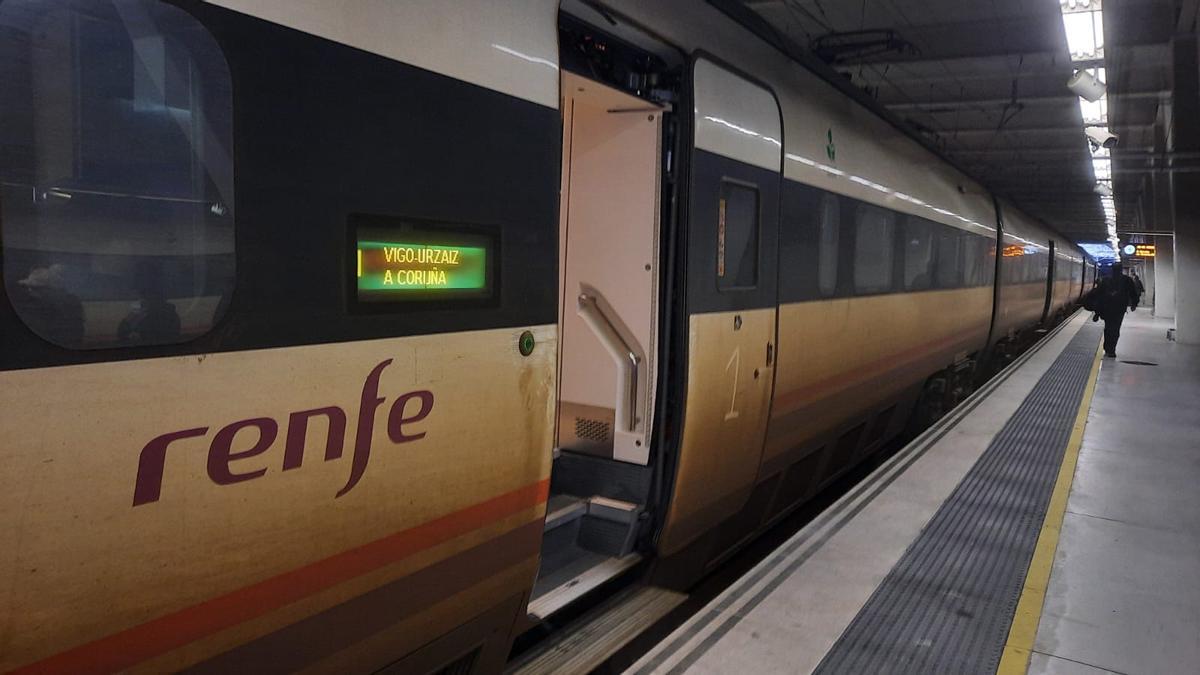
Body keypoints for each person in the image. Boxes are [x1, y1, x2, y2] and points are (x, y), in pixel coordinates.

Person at [1089, 263, 1140, 358]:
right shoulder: (1127, 280)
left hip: (1107, 308)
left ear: (1112, 270)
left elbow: (1098, 295)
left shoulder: (1105, 280)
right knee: (1115, 328)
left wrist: (1096, 312)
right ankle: (1111, 349)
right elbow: (1133, 293)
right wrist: (1134, 304)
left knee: (1108, 328)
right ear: (1121, 270)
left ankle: (1108, 348)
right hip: (1119, 309)